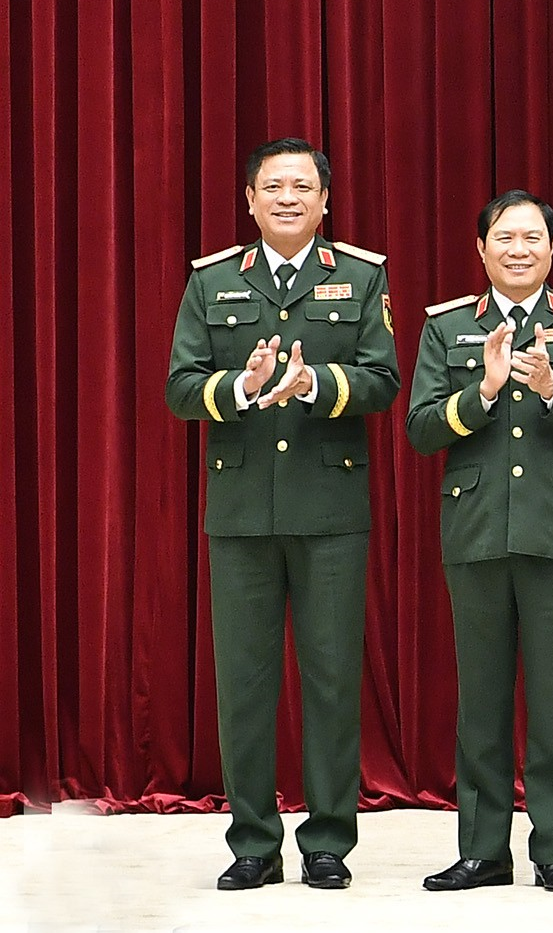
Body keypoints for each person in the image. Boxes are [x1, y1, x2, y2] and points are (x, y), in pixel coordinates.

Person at [165, 137, 400, 891]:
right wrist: (241, 386)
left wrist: (314, 384)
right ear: (250, 200)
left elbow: (384, 379)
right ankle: (253, 843)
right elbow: (179, 386)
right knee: (245, 683)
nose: (289, 197)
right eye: (274, 186)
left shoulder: (362, 277)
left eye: (304, 186)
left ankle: (328, 839)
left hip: (332, 507)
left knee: (332, 678)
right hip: (239, 511)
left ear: (326, 201)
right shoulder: (212, 281)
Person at [406, 190, 553, 893]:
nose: (518, 248)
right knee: (481, 700)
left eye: (532, 236)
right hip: (474, 530)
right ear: (481, 249)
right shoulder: (447, 327)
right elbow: (419, 427)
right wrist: (483, 392)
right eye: (504, 237)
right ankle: (482, 849)